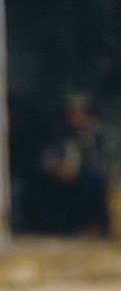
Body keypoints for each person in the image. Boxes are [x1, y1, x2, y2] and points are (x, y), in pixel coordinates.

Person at [24, 93, 110, 236]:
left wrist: (79, 171)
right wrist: (55, 167)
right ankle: (52, 230)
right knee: (37, 185)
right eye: (69, 113)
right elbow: (45, 158)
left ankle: (89, 227)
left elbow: (106, 164)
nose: (73, 118)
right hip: (61, 181)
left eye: (78, 113)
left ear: (88, 114)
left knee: (95, 181)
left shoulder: (100, 137)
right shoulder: (57, 135)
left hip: (87, 182)